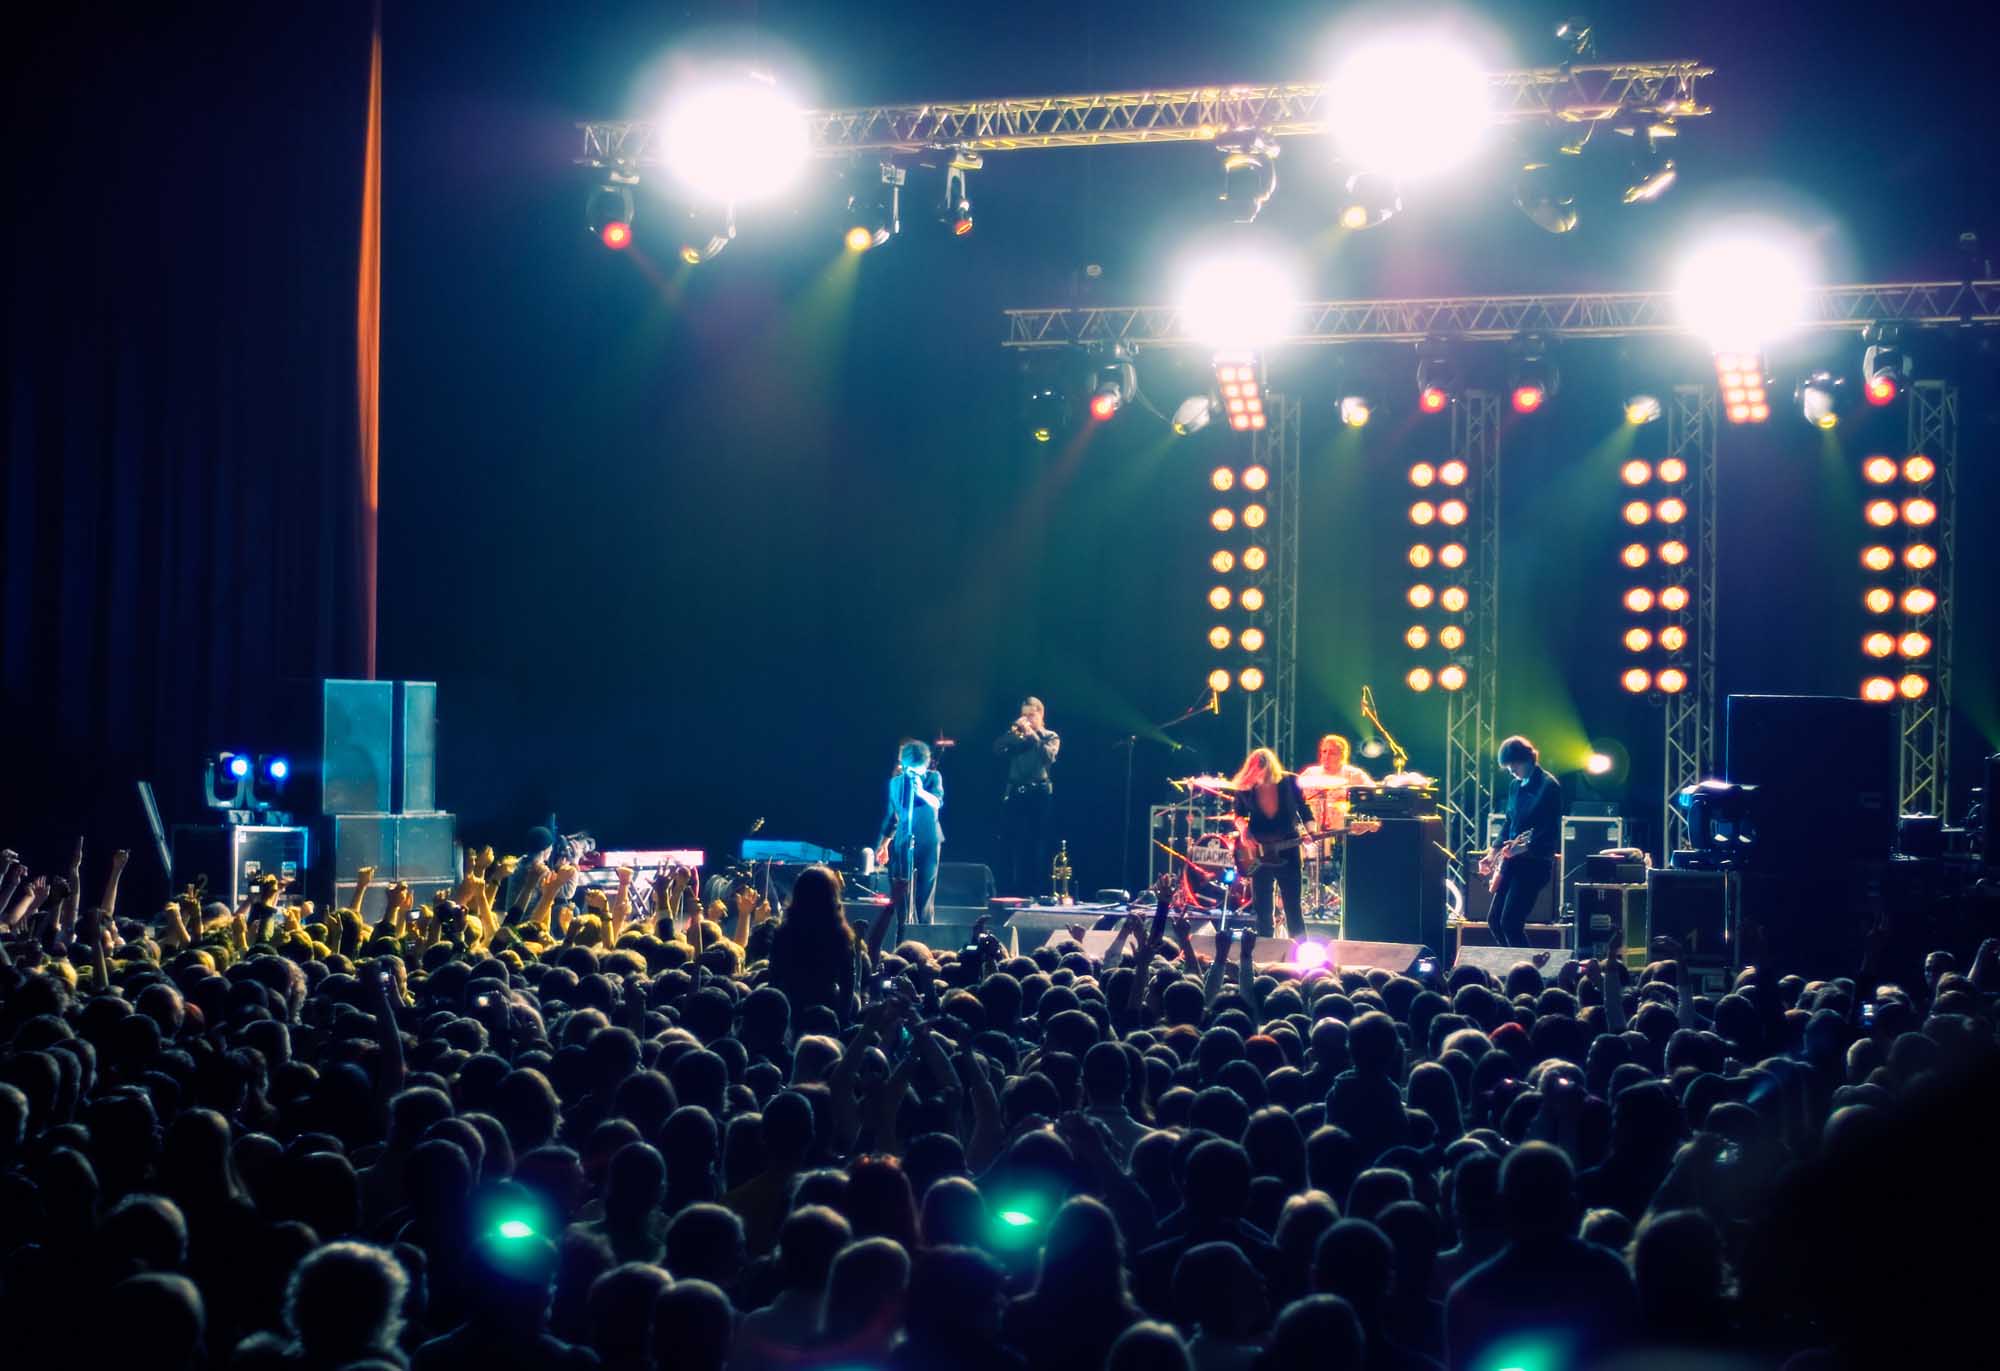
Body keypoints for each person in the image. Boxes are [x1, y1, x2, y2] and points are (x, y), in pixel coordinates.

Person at [1479, 736, 1561, 948]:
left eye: (1514, 764)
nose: (1511, 770)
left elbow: (1549, 831)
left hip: (1534, 864)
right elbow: (1509, 822)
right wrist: (1492, 853)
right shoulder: (1515, 786)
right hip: (1512, 863)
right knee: (1495, 921)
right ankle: (1511, 966)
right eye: (1508, 766)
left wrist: (1523, 848)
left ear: (1527, 759)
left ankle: (1527, 973)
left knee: (1510, 923)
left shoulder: (1548, 786)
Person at [1231, 748, 1313, 938]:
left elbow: (1304, 809)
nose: (1260, 777)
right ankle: (1264, 952)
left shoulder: (1290, 781)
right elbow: (1238, 814)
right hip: (1258, 851)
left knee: (1293, 907)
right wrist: (1244, 830)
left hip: (1288, 847)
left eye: (1264, 771)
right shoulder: (1246, 787)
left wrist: (1311, 832)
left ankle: (1299, 953)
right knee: (1263, 910)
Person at [766, 868, 859, 1027]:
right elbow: (848, 984)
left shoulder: (784, 934)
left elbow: (774, 979)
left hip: (791, 1011)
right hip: (829, 1011)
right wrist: (842, 1021)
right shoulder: (841, 937)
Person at [995, 696, 1060, 895]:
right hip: (1015, 792)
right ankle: (1009, 890)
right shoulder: (1017, 737)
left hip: (1038, 794)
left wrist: (1033, 735)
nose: (1026, 720)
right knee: (1010, 841)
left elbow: (1048, 757)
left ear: (1040, 714)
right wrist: (1011, 733)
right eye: (1023, 716)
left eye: (1030, 715)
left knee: (1036, 843)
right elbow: (997, 749)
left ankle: (1034, 890)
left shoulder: (1050, 736)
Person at [876, 740, 943, 925]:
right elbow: (894, 816)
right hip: (903, 841)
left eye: (918, 769)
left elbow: (938, 802)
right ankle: (902, 931)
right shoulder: (896, 783)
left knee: (924, 892)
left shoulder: (933, 777)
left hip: (929, 840)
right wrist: (884, 844)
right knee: (901, 891)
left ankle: (923, 932)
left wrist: (921, 792)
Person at [1297, 734, 1374, 833]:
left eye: (1332, 753)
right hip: (1313, 831)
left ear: (1342, 755)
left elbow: (1372, 798)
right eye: (1324, 751)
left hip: (1344, 831)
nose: (1326, 756)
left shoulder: (1355, 775)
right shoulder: (1310, 773)